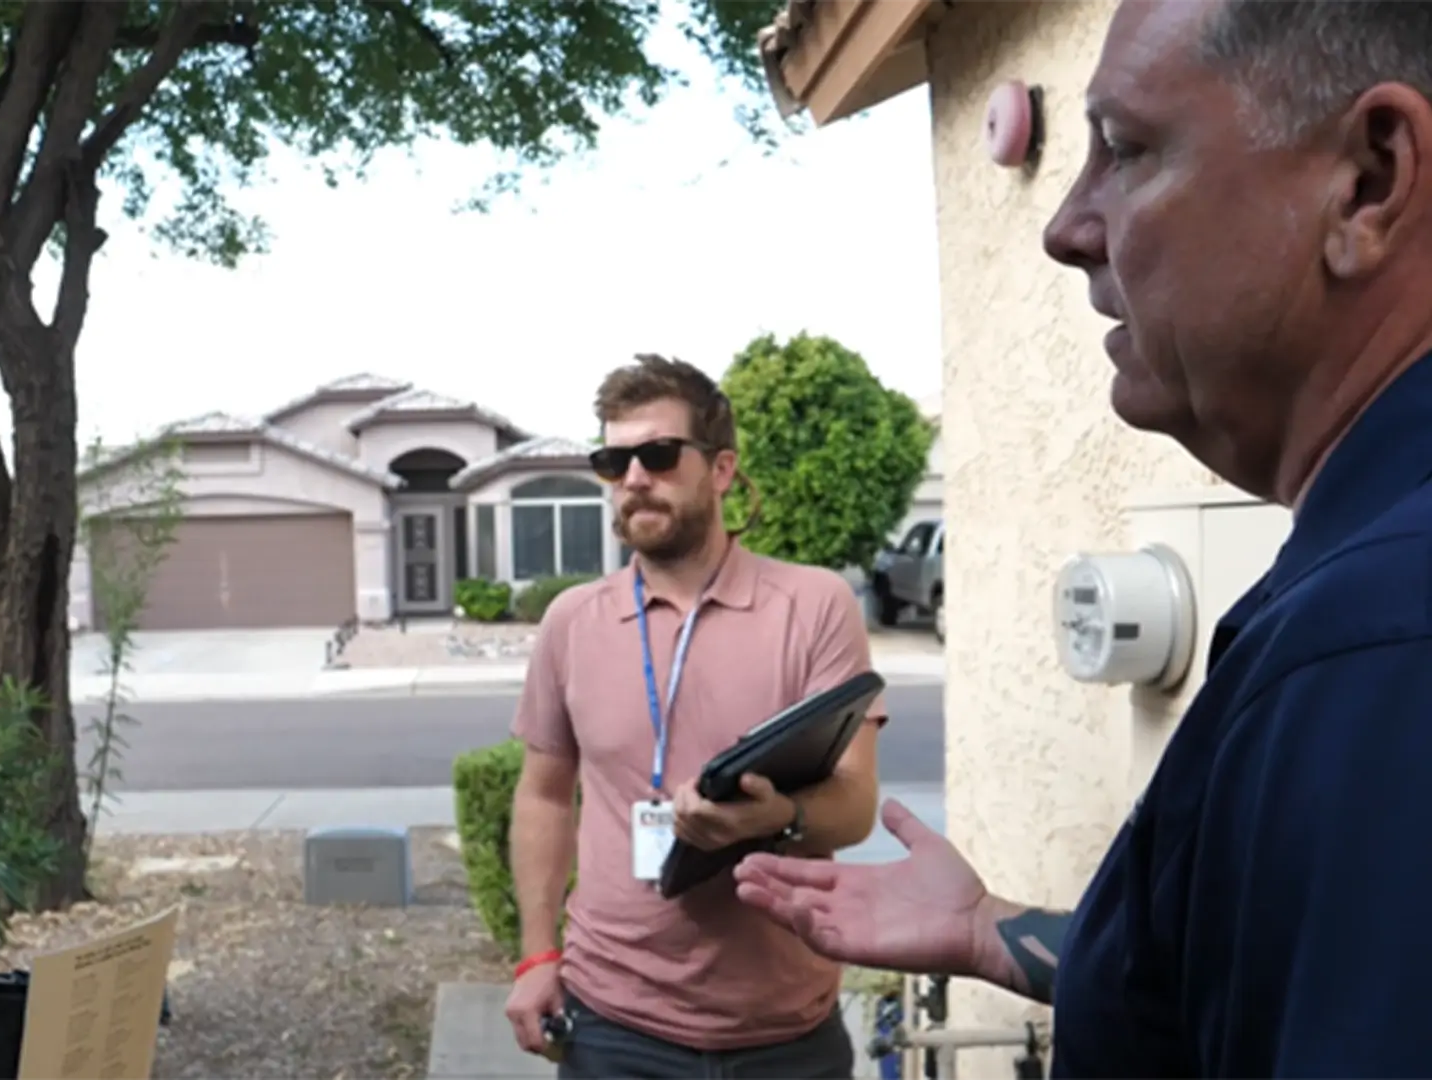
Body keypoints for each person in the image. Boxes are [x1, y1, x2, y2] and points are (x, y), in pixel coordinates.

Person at [736, 0, 1432, 1075]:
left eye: (1128, 148)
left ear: (1369, 180)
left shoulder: (1379, 652)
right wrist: (990, 931)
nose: (1065, 226)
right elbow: (1244, 977)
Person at [503, 354, 887, 1079]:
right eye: (613, 461)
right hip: (613, 1025)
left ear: (720, 468)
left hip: (785, 1030)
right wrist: (535, 956)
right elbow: (545, 794)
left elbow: (855, 804)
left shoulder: (813, 606)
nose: (635, 478)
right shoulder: (572, 621)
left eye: (658, 453)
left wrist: (772, 819)